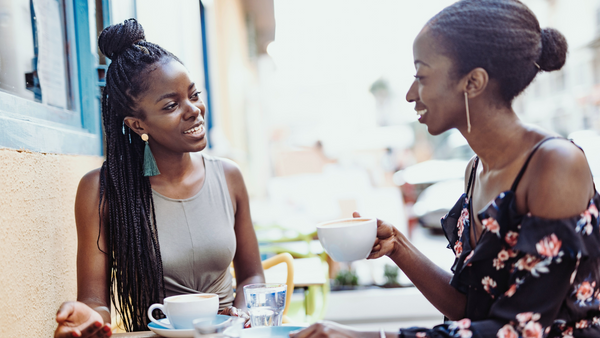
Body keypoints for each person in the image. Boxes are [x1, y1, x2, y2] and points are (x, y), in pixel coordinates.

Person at [291, 0, 600, 337]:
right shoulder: (476, 170)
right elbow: (470, 308)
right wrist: (397, 245)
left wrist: (365, 336)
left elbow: (519, 330)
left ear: (473, 82)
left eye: (421, 75)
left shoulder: (556, 164)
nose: (411, 94)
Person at [54, 19, 265, 338]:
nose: (193, 110)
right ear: (138, 125)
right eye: (171, 105)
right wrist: (88, 317)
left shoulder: (229, 176)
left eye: (194, 94)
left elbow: (252, 276)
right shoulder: (101, 190)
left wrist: (242, 315)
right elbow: (95, 301)